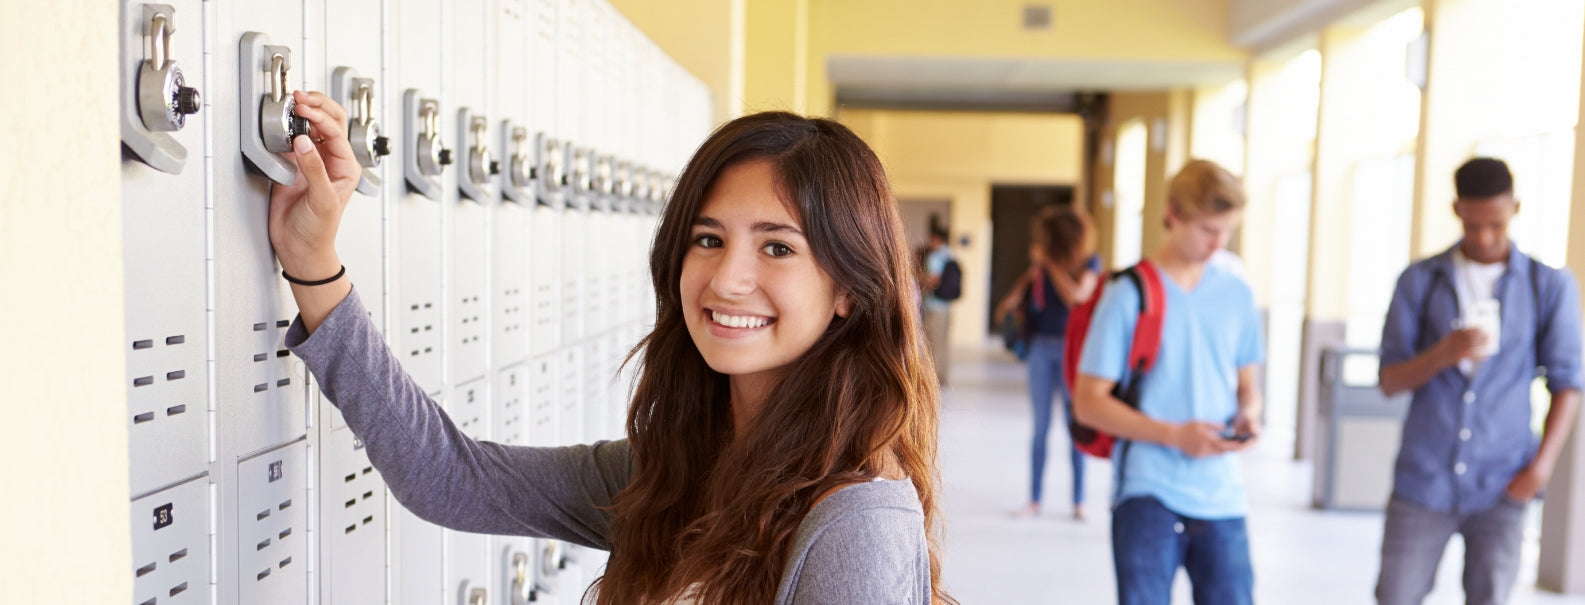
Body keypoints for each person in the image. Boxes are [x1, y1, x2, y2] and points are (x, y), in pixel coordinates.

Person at [268, 93, 952, 604]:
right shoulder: (690, 468)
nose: (726, 278)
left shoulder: (854, 518)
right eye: (707, 239)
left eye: (777, 247)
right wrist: (312, 260)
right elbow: (450, 475)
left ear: (849, 290)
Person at [1374, 157, 1582, 605]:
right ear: (1457, 210)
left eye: (1496, 225)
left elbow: (1568, 383)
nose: (1484, 238)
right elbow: (1389, 380)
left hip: (1504, 484)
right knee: (1395, 595)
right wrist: (1442, 354)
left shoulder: (1547, 286)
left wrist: (1540, 469)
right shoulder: (1419, 281)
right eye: (1473, 226)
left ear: (1515, 209)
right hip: (1423, 481)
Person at [1073, 159, 1264, 605]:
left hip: (1223, 494)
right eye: (1207, 230)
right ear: (1173, 215)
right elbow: (1088, 403)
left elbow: (1248, 388)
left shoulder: (1237, 294)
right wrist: (1175, 436)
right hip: (1147, 489)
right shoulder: (1128, 295)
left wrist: (1248, 416)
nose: (1218, 244)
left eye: (1226, 232)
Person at [995, 206, 1101, 521]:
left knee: (1076, 425)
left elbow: (1078, 297)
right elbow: (1009, 304)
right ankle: (1035, 499)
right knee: (1040, 428)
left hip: (1074, 351)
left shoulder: (1089, 263)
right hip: (1041, 349)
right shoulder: (1042, 266)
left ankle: (1079, 501)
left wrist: (1050, 265)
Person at [921, 217, 956, 386]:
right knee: (943, 342)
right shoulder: (950, 254)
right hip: (947, 306)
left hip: (934, 306)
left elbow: (933, 281)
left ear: (936, 239)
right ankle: (942, 376)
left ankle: (932, 379)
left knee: (932, 342)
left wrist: (920, 280)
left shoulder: (935, 257)